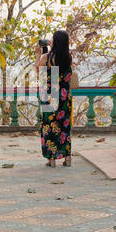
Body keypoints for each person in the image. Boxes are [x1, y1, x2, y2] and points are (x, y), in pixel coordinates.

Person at [35, 30, 72, 167]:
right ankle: (67, 158)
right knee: (64, 126)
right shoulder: (69, 57)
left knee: (49, 126)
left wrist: (39, 54)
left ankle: (51, 159)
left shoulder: (47, 57)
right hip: (64, 97)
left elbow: (39, 71)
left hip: (50, 95)